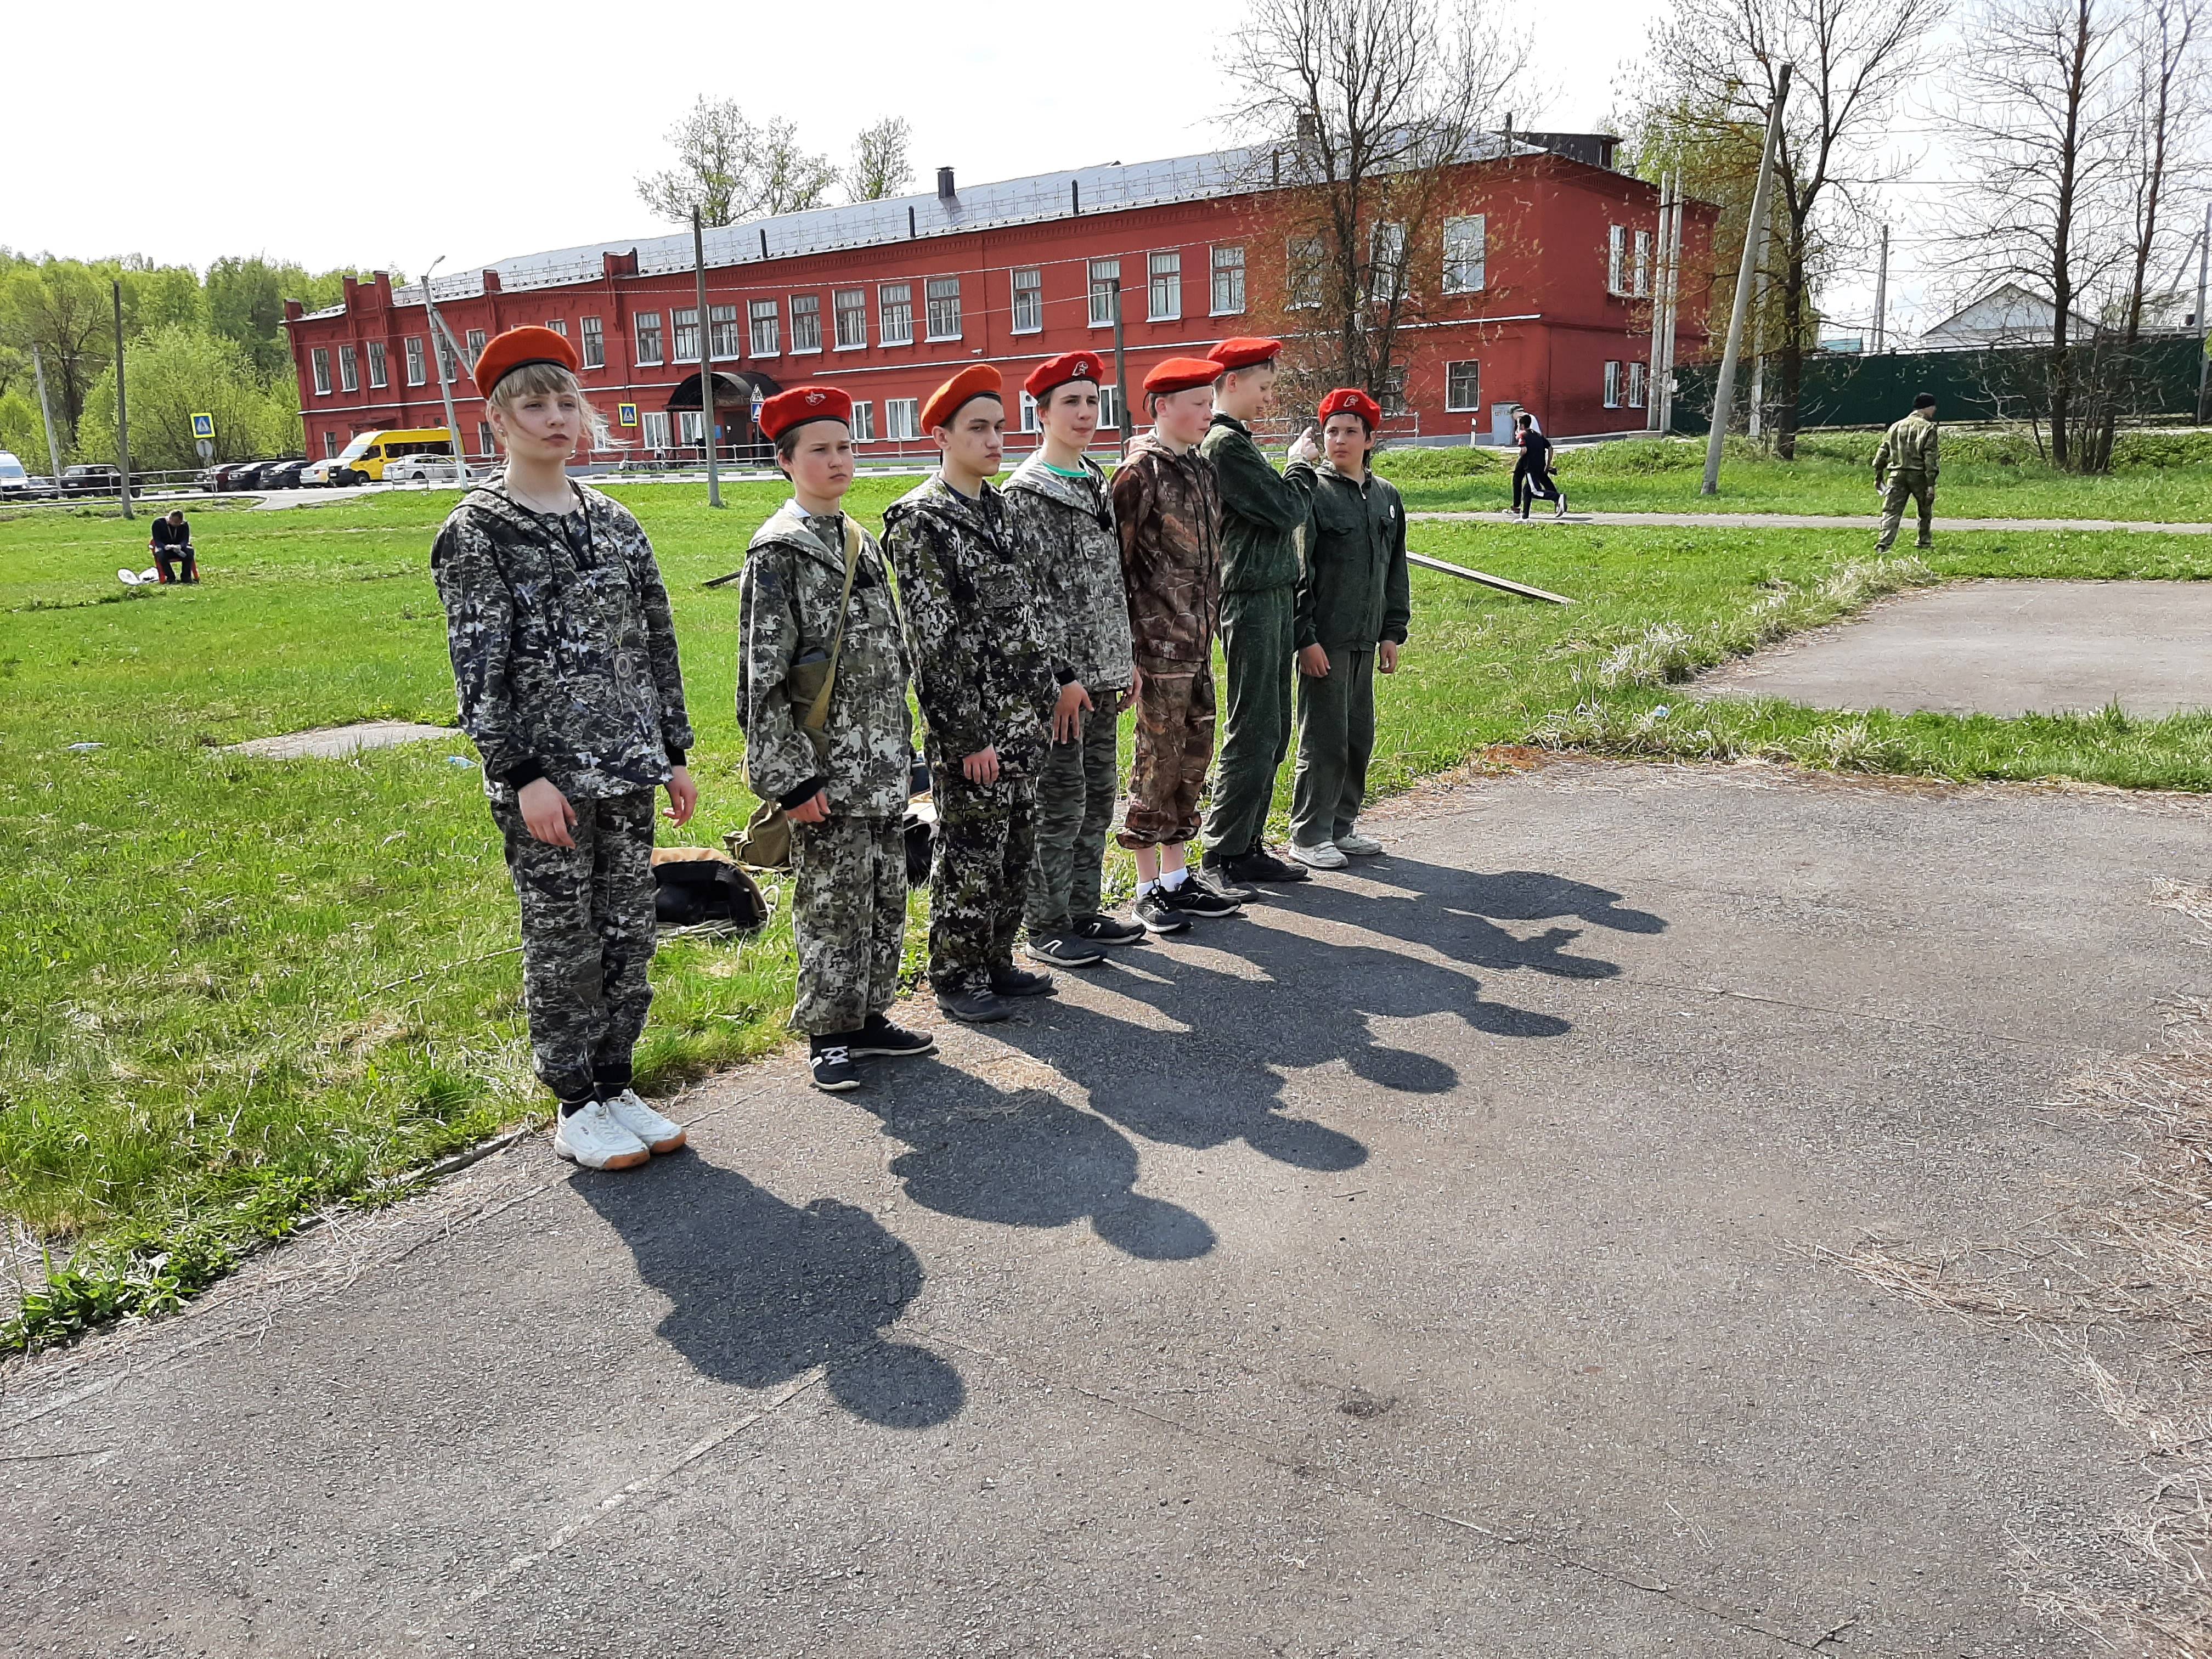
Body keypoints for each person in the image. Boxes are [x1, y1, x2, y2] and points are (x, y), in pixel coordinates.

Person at [431, 326, 696, 1172]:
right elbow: (479, 667)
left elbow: (657, 641)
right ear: (496, 423)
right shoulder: (478, 532)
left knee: (629, 935)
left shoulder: (614, 522)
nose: (556, 418)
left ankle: (617, 1082)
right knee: (563, 942)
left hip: (627, 769)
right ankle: (575, 1102)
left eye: (565, 402)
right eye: (533, 404)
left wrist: (676, 751)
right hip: (549, 783)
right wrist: (519, 775)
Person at [737, 385, 934, 1092]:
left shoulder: (861, 542)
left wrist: (907, 753)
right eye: (818, 450)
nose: (837, 460)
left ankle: (870, 1015)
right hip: (825, 769)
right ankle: (827, 1031)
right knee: (830, 902)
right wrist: (790, 778)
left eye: (845, 446)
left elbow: (891, 657)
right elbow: (761, 679)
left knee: (885, 893)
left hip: (880, 762)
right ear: (786, 462)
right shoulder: (778, 552)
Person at [882, 365, 1060, 1024]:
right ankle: (957, 972)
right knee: (971, 851)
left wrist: (1052, 687)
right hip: (977, 726)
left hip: (1024, 718)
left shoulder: (1000, 508)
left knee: (1017, 844)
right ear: (941, 436)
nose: (994, 440)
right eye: (978, 428)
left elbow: (1029, 613)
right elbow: (934, 643)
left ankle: (998, 957)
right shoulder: (922, 522)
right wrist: (966, 740)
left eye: (998, 426)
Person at [1004, 351, 1148, 968]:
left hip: (1108, 675)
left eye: (1093, 402)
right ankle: (1046, 924)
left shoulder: (1095, 482)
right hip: (1062, 687)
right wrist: (1057, 676)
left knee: (1097, 801)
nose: (1086, 413)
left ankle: (1085, 909)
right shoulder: (1026, 493)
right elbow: (1027, 598)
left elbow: (1112, 585)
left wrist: (1128, 658)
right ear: (1041, 413)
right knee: (1057, 808)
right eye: (1072, 403)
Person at [1111, 357, 1245, 935]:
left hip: (1197, 646)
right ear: (1161, 407)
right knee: (1154, 765)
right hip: (1155, 653)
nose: (1207, 412)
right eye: (1196, 401)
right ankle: (1145, 888)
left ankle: (1176, 878)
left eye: (1209, 400)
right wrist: (1126, 658)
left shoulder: (1201, 470)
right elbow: (1114, 573)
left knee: (1192, 762)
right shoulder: (1139, 474)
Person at [1198, 337, 1313, 893]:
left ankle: (1247, 843)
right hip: (1248, 597)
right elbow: (1286, 508)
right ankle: (1224, 849)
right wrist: (1299, 467)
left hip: (1269, 593)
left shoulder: (1235, 442)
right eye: (1264, 388)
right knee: (1254, 726)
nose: (1269, 399)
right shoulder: (1224, 445)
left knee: (1273, 726)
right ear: (1233, 381)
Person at [1283, 388, 1411, 870]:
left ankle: (1342, 825)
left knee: (1359, 736)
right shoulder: (1312, 493)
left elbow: (1395, 569)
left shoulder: (1386, 497)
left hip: (1366, 636)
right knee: (1324, 740)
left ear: (1369, 440)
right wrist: (1305, 636)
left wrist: (1392, 632)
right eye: (1331, 431)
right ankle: (1309, 833)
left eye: (1350, 432)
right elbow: (1298, 569)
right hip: (1326, 639)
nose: (1339, 440)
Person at [1875, 392, 1940, 552]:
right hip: (1918, 475)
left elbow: (1882, 453)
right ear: (1927, 408)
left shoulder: (1896, 426)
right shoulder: (1928, 428)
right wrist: (1931, 484)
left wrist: (1878, 475)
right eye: (1933, 407)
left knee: (1891, 510)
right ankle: (1924, 542)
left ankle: (1884, 544)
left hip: (1895, 474)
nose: (1935, 410)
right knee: (1924, 509)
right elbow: (1930, 458)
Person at [1510, 411, 1566, 518]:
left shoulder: (1522, 434)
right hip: (1540, 464)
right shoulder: (1539, 436)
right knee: (1527, 490)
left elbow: (1524, 450)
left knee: (1535, 491)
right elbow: (1550, 448)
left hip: (1530, 466)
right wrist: (1548, 464)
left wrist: (1520, 454)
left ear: (1521, 425)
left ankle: (1557, 497)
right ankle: (1525, 517)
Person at [150, 510, 198, 584]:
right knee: (160, 554)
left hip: (179, 549)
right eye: (175, 522)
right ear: (170, 519)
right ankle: (170, 578)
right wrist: (164, 547)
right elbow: (157, 540)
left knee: (190, 551)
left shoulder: (184, 525)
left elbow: (185, 540)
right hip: (165, 549)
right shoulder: (158, 523)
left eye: (179, 523)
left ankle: (186, 577)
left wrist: (180, 546)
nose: (177, 525)